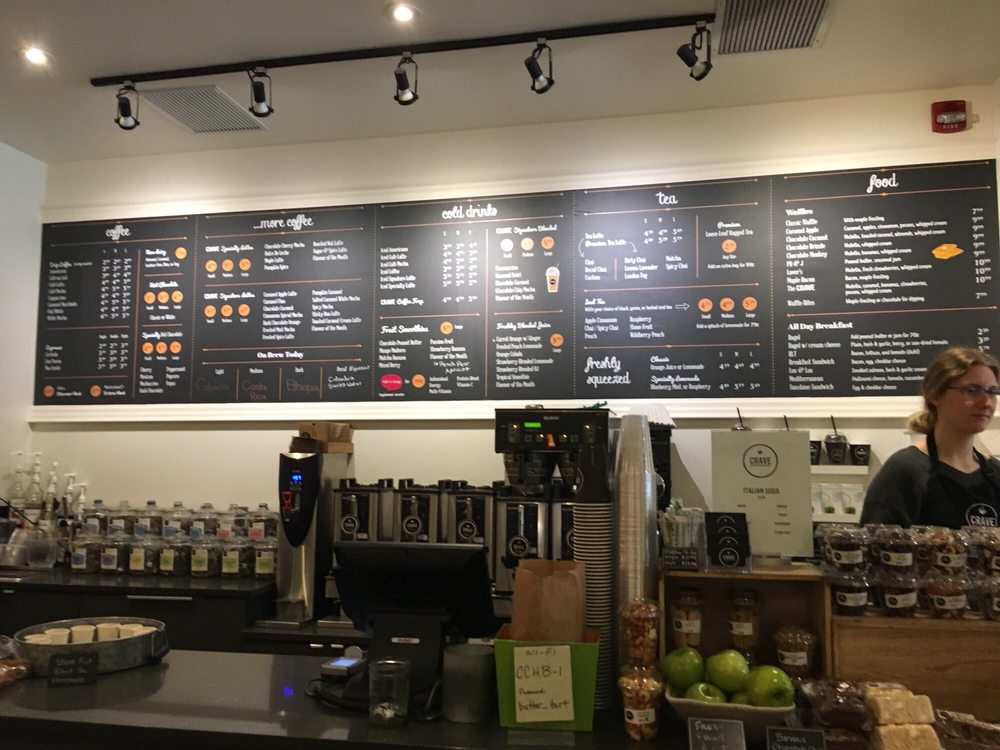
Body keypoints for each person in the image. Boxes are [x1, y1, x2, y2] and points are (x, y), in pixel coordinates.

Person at [860, 346, 1000, 528]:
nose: (986, 402)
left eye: (992, 392)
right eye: (972, 390)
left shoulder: (994, 473)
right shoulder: (905, 471)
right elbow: (875, 542)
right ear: (935, 395)